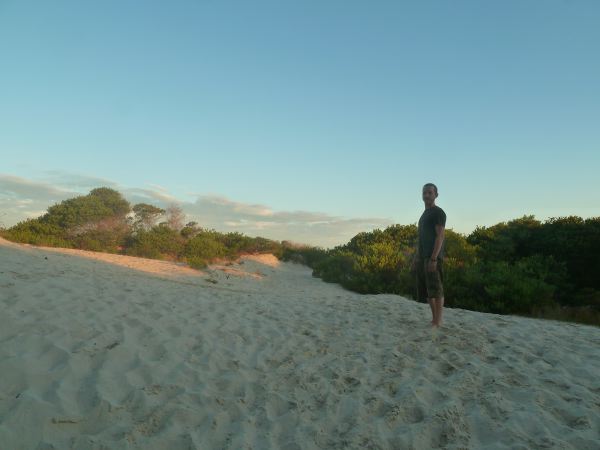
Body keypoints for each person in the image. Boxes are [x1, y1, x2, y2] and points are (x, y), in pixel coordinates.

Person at [411, 183, 446, 327]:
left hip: (433, 258)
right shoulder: (424, 214)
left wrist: (433, 258)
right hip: (423, 257)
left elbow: (440, 236)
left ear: (436, 195)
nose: (426, 195)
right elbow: (422, 238)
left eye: (430, 193)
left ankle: (438, 321)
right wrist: (416, 258)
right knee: (427, 292)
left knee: (436, 290)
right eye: (424, 193)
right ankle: (434, 318)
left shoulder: (438, 213)